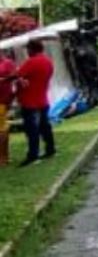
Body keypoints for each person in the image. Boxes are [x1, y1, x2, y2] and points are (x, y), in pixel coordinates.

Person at [16, 39, 55, 167]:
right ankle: (50, 149)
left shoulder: (32, 62)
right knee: (45, 127)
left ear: (32, 49)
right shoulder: (48, 62)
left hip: (30, 101)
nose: (27, 52)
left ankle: (33, 155)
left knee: (32, 130)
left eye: (27, 49)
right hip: (43, 99)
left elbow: (17, 74)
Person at [0, 49, 17, 167]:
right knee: (3, 128)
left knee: (2, 129)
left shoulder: (7, 63)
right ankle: (4, 157)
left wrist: (4, 79)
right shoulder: (7, 63)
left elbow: (16, 76)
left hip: (2, 100)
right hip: (4, 100)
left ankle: (3, 158)